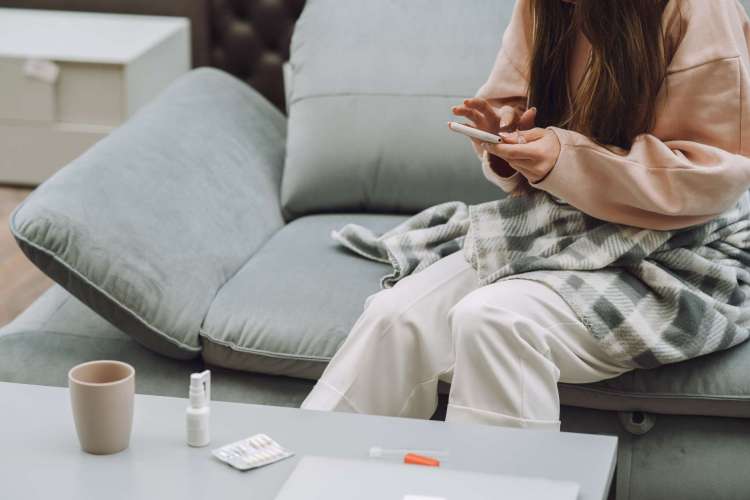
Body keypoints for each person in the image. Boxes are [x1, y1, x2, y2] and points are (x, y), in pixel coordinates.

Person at [301, 0, 750, 430]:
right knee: (394, 316)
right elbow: (514, 112)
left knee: (494, 320)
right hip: (565, 225)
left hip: (686, 247)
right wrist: (506, 145)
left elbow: (713, 174)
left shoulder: (700, 7)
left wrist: (566, 159)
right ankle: (306, 473)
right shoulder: (542, 6)